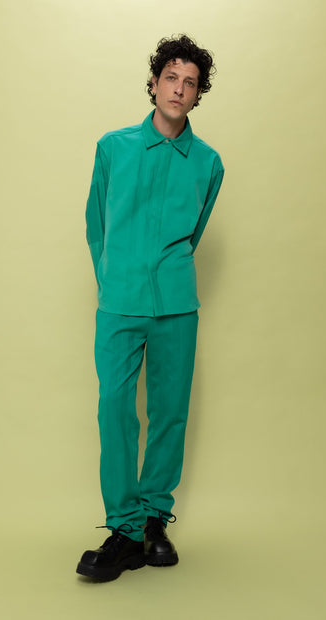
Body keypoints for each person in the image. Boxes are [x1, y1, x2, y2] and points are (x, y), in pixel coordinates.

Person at [76, 34, 225, 582]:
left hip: (176, 307)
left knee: (169, 412)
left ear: (198, 94)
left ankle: (154, 521)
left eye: (190, 83)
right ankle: (123, 528)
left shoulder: (209, 163)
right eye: (171, 77)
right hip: (119, 303)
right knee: (114, 409)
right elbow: (96, 223)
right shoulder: (113, 147)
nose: (179, 89)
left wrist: (167, 275)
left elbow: (195, 233)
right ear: (155, 82)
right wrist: (112, 279)